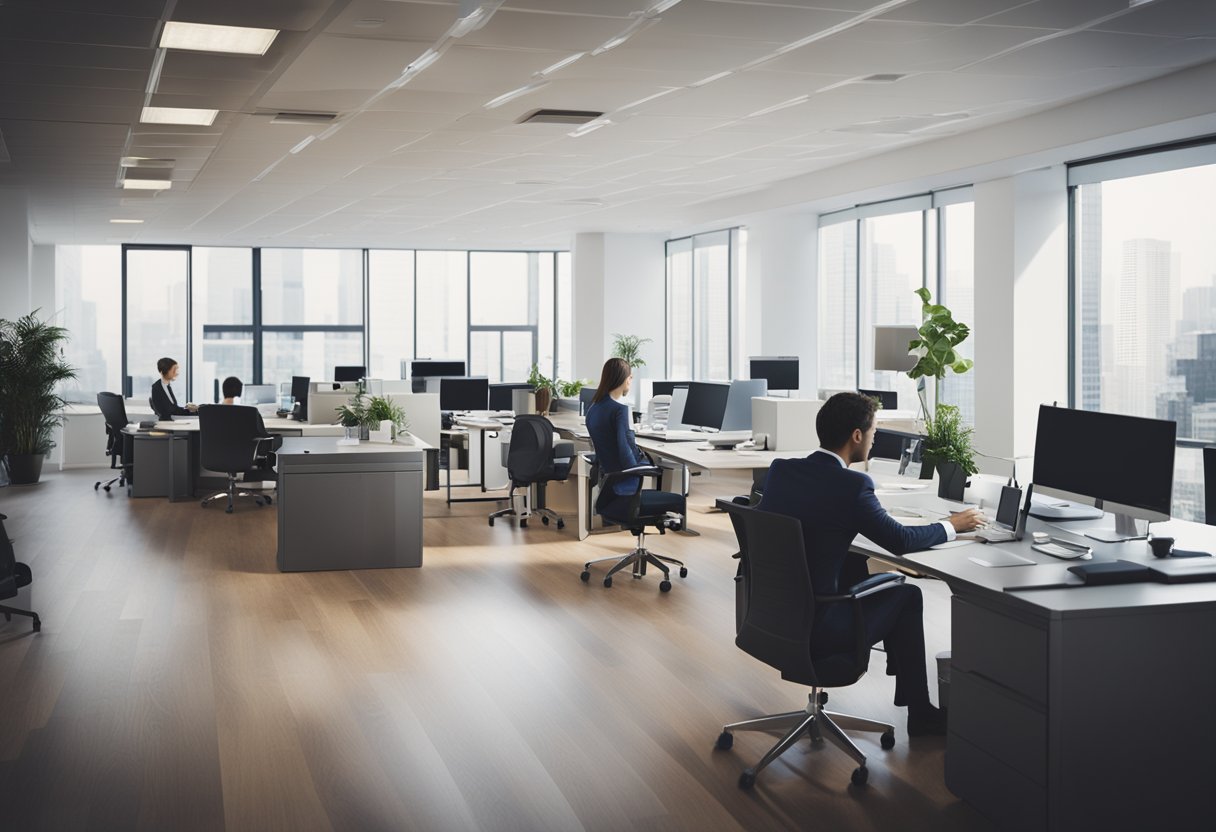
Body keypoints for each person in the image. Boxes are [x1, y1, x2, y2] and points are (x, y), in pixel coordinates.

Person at [757, 392, 984, 737]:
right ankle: (920, 714)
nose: (876, 439)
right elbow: (900, 541)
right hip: (819, 625)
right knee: (906, 595)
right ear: (857, 436)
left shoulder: (782, 471)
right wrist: (954, 525)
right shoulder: (853, 485)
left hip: (772, 616)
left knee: (856, 564)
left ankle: (909, 693)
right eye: (875, 431)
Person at [584, 357, 685, 522]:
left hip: (611, 492)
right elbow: (627, 457)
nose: (631, 381)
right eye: (630, 377)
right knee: (679, 499)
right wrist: (651, 467)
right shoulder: (621, 410)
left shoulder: (593, 409)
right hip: (626, 492)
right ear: (623, 378)